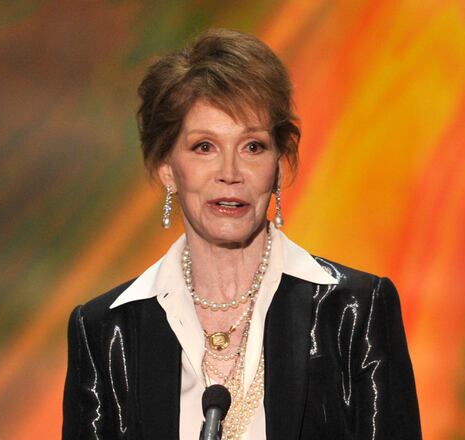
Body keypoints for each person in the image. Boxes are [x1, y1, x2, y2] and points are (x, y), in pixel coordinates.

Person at [62, 28, 421, 440]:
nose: (230, 174)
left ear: (279, 166)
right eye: (204, 147)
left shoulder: (355, 311)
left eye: (253, 146)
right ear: (167, 167)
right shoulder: (106, 332)